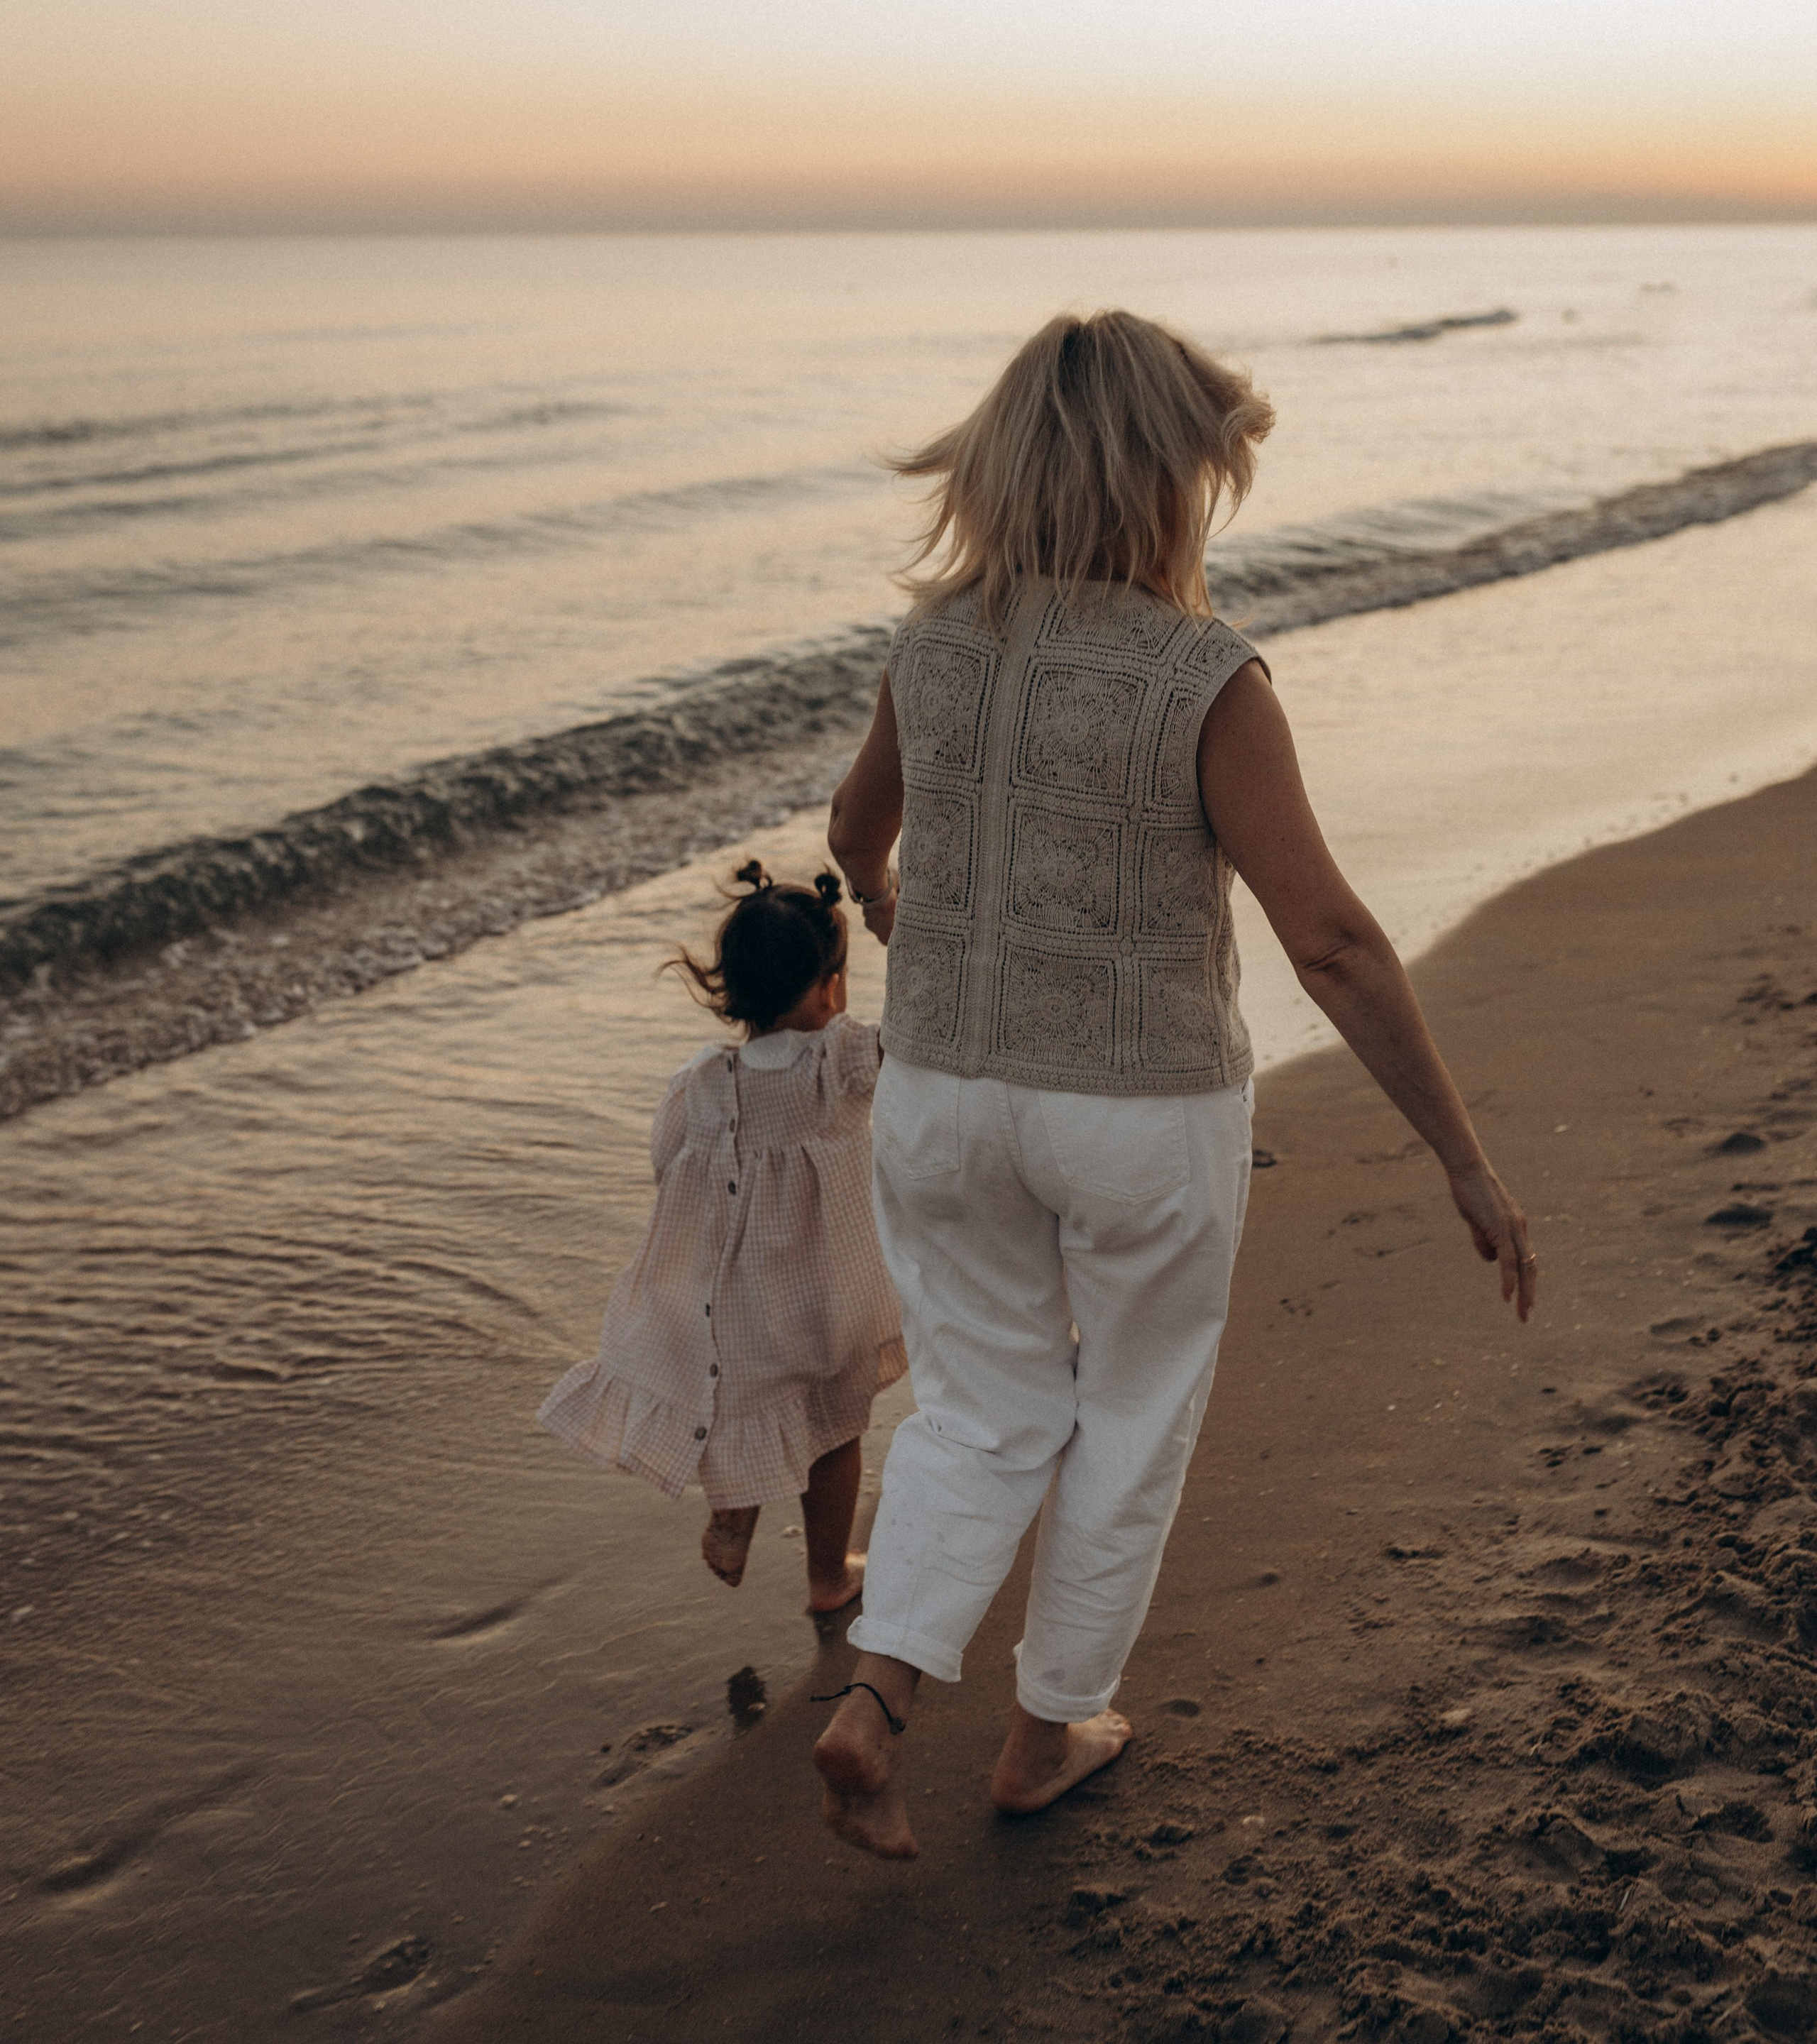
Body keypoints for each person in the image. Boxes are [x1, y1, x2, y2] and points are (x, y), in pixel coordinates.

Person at [813, 308, 1537, 1859]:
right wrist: (1460, 1156)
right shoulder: (1200, 676)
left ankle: (874, 1707)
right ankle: (1042, 1729)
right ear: (1165, 481)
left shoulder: (931, 647)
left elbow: (850, 828)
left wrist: (887, 908)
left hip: (944, 1095)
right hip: (1136, 1110)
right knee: (1128, 1413)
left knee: (977, 1410)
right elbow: (1328, 943)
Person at [538, 862, 906, 1615]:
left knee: (755, 1409)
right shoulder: (837, 1063)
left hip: (734, 1308)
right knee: (833, 1427)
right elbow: (920, 1035)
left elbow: (665, 1159)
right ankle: (827, 1577)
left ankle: (736, 1511)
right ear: (832, 985)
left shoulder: (700, 1079)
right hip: (826, 1298)